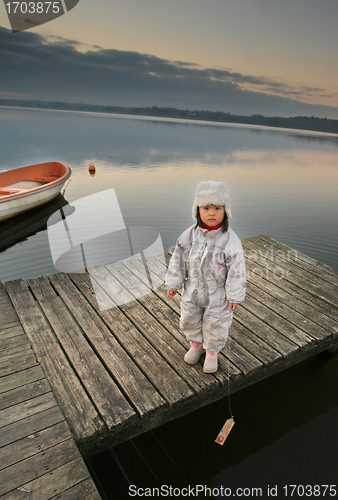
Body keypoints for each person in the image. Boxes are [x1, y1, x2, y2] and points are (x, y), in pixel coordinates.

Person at [165, 180, 246, 373]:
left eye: (217, 208)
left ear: (225, 211)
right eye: (206, 207)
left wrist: (234, 294)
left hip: (217, 293)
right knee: (189, 318)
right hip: (192, 289)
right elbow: (178, 259)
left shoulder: (230, 240)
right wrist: (174, 283)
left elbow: (237, 269)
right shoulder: (189, 236)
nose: (211, 213)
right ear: (197, 210)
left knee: (215, 322)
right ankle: (196, 346)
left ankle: (211, 353)